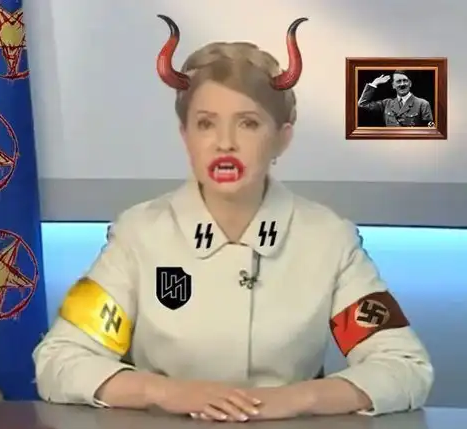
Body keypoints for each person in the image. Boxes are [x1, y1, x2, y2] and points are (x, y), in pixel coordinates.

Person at [33, 15, 433, 422]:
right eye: (206, 124)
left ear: (282, 137)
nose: (225, 143)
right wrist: (167, 393)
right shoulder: (139, 236)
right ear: (185, 135)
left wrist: (297, 399)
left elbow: (404, 367)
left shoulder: (328, 240)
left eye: (248, 123)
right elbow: (60, 359)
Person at [357, 71, 434, 127]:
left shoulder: (423, 104)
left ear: (410, 84)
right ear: (393, 85)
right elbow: (362, 104)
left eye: (405, 81)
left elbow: (429, 130)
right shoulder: (386, 103)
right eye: (398, 81)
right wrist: (374, 83)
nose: (402, 84)